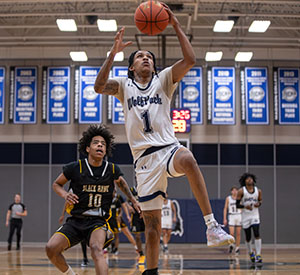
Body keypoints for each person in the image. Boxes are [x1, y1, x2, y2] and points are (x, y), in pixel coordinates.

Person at [94, 3, 234, 274]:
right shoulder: (124, 86)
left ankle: (211, 226)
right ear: (132, 67)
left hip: (168, 148)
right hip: (144, 161)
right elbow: (99, 86)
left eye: (149, 57)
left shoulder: (163, 80)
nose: (146, 58)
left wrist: (177, 26)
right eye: (140, 57)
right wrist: (112, 53)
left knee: (189, 158)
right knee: (152, 228)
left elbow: (190, 60)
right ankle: (151, 272)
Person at [45, 125, 141, 275]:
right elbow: (56, 184)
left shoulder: (112, 169)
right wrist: (65, 195)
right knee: (51, 249)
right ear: (88, 148)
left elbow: (122, 183)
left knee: (96, 249)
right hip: (76, 220)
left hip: (98, 221)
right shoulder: (76, 167)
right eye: (96, 142)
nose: (100, 145)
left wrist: (133, 201)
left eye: (103, 144)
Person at [236, 173, 262, 264]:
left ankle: (258, 255)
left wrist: (258, 204)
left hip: (255, 215)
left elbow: (260, 201)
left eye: (251, 178)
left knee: (256, 233)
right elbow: (237, 205)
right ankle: (251, 252)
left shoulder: (258, 191)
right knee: (248, 237)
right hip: (245, 216)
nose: (250, 180)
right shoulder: (241, 191)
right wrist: (245, 206)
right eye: (247, 179)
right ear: (245, 181)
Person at [59, 199, 89, 267]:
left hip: (91, 220)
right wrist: (63, 215)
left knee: (95, 245)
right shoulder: (74, 193)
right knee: (83, 241)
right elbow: (67, 202)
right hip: (78, 219)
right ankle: (85, 258)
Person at [108, 191, 138, 255]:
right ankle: (110, 248)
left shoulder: (118, 198)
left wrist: (127, 216)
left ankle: (136, 247)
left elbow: (123, 206)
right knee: (109, 235)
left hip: (118, 219)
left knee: (127, 233)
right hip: (110, 220)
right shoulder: (107, 197)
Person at [127, 186, 145, 264]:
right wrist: (129, 207)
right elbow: (127, 201)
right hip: (135, 216)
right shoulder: (131, 189)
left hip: (144, 214)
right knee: (137, 236)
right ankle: (140, 252)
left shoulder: (144, 187)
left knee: (148, 234)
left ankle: (149, 250)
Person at [223, 186, 242, 255]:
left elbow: (243, 207)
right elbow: (225, 208)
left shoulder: (240, 198)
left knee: (238, 233)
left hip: (239, 215)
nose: (234, 192)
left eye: (236, 190)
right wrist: (224, 218)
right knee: (231, 233)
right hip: (231, 215)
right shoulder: (228, 198)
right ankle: (231, 245)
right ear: (231, 191)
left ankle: (237, 247)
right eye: (233, 190)